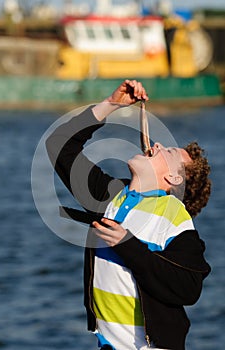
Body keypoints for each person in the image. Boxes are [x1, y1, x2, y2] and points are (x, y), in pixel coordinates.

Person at [46, 80, 211, 350]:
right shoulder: (110, 197)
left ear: (172, 177)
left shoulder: (175, 216)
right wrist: (111, 105)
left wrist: (127, 244)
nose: (156, 145)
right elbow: (59, 144)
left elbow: (189, 287)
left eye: (167, 151)